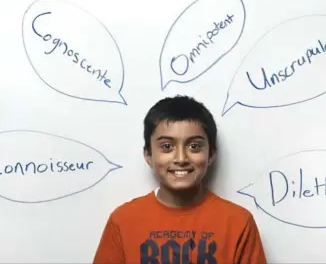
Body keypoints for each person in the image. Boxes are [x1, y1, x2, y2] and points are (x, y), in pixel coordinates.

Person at [93, 95, 267, 264]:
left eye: (194, 146)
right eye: (167, 147)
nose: (181, 158)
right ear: (148, 155)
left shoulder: (238, 222)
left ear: (211, 153)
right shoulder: (123, 221)